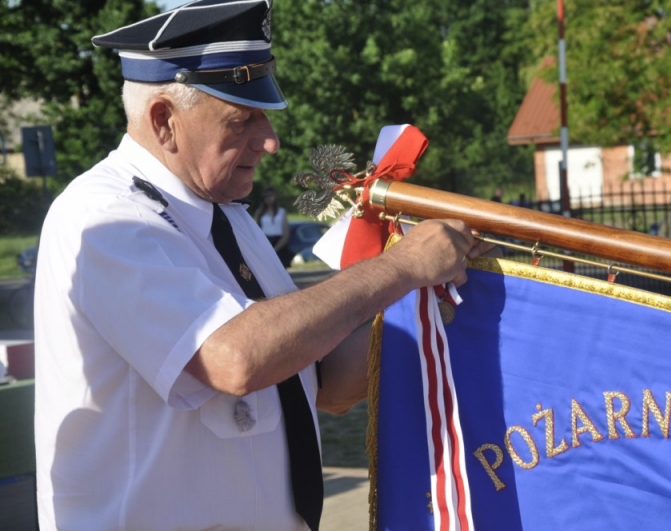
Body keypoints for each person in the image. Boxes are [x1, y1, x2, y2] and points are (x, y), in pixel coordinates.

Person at [33, 1, 488, 530]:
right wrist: (402, 267)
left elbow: (324, 382)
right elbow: (235, 360)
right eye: (241, 119)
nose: (270, 141)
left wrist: (438, 302)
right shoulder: (103, 216)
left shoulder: (226, 217)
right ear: (164, 121)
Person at [254, 186, 292, 268]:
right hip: (265, 241)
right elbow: (256, 231)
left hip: (279, 243)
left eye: (271, 196)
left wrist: (276, 248)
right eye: (266, 196)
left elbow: (286, 233)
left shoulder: (281, 212)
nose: (269, 199)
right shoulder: (259, 212)